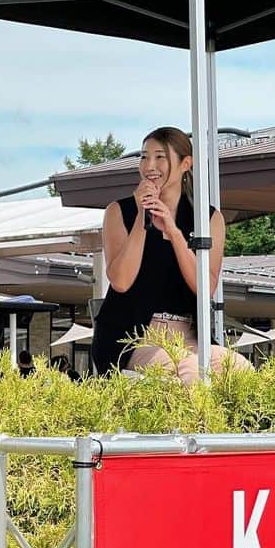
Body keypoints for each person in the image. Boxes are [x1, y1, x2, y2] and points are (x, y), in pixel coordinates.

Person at [91, 126, 250, 382]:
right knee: (190, 370)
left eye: (160, 156)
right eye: (144, 157)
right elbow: (120, 281)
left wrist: (175, 233)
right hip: (134, 337)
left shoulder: (207, 219)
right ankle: (198, 423)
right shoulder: (119, 212)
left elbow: (205, 287)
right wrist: (143, 214)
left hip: (189, 336)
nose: (149, 165)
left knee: (240, 370)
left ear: (185, 163)